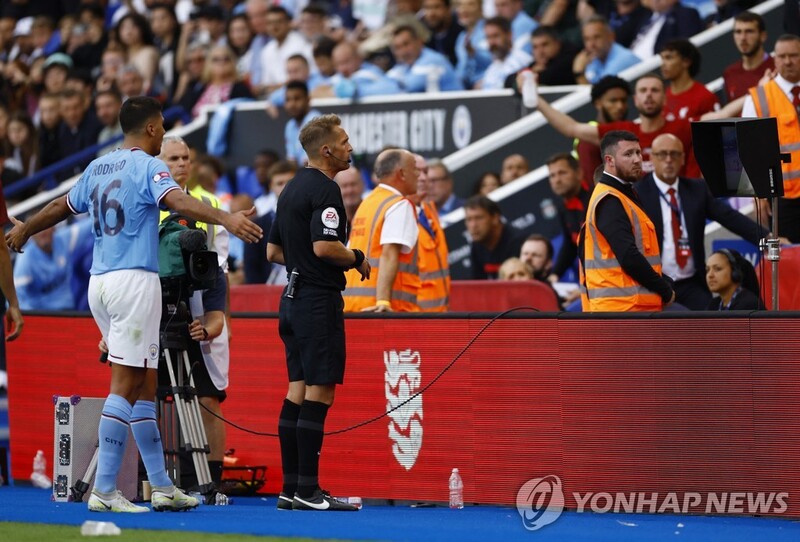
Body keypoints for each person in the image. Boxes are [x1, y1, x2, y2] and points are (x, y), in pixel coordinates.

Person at [5, 96, 262, 513]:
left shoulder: (98, 166)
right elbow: (177, 201)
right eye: (160, 125)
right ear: (150, 129)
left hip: (100, 282)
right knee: (125, 386)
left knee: (145, 384)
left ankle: (161, 485)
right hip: (134, 283)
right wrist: (227, 219)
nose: (162, 132)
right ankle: (105, 489)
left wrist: (25, 231)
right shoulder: (148, 165)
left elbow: (59, 206)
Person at [266, 113, 369, 511]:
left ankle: (291, 490)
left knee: (297, 390)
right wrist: (356, 257)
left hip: (289, 301)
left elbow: (273, 251)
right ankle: (309, 491)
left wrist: (300, 268)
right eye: (344, 141)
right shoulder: (326, 190)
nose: (350, 147)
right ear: (326, 150)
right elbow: (325, 248)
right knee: (320, 392)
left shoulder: (290, 188)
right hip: (316, 301)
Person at [158, 136, 231, 490]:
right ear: (158, 161)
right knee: (149, 394)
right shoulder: (147, 203)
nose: (181, 164)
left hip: (203, 302)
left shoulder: (212, 204)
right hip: (156, 305)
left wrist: (213, 318)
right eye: (173, 158)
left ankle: (212, 480)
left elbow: (219, 270)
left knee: (208, 395)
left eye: (186, 157)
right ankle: (155, 477)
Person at [634, 133, 768, 310]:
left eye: (674, 154)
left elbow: (728, 217)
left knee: (708, 326)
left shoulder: (696, 189)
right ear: (651, 158)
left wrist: (766, 238)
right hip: (655, 283)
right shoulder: (638, 193)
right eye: (662, 154)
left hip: (692, 283)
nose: (668, 160)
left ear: (682, 159)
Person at [579, 130, 675, 311]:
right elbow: (628, 257)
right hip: (622, 310)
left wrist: (665, 282)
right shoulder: (609, 199)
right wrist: (665, 290)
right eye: (628, 154)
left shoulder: (622, 194)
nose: (637, 159)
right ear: (609, 160)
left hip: (630, 307)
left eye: (638, 152)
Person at [534, 73, 700, 178]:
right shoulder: (622, 133)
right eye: (643, 90)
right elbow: (571, 128)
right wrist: (534, 99)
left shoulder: (684, 128)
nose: (649, 95)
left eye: (654, 90)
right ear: (635, 99)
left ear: (665, 98)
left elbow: (718, 117)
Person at [343, 148, 420, 312]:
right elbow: (389, 253)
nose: (418, 174)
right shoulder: (399, 204)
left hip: (353, 305)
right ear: (402, 174)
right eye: (414, 168)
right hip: (383, 310)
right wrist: (383, 301)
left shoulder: (368, 203)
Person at [742, 34, 800, 243]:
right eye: (782, 56)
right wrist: (759, 193)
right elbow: (747, 149)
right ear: (774, 60)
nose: (787, 61)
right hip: (783, 198)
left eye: (794, 55)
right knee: (791, 262)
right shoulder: (759, 97)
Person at [545, 153, 591, 282]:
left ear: (578, 173)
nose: (557, 180)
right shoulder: (563, 207)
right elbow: (571, 244)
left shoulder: (595, 198)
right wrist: (555, 275)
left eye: (562, 173)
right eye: (552, 175)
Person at [415, 153, 450, 312]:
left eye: (426, 172)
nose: (423, 178)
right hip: (414, 316)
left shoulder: (429, 210)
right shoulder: (395, 213)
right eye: (417, 172)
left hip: (440, 313)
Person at [465, 195, 525, 279]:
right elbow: (476, 284)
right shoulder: (476, 245)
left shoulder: (518, 242)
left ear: (495, 218)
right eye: (469, 219)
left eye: (479, 218)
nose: (473, 225)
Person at [659, 39, 719, 121]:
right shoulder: (661, 97)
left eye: (669, 58)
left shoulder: (705, 97)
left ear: (686, 62)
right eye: (662, 58)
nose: (663, 64)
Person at [572, 16, 640, 85]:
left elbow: (600, 93)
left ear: (611, 36)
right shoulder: (594, 59)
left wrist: (579, 73)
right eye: (587, 39)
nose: (591, 44)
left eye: (596, 37)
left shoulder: (623, 59)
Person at [722, 11, 774, 103]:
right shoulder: (729, 73)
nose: (743, 38)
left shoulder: (777, 69)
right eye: (738, 32)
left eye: (749, 31)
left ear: (763, 36)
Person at [284, 80, 321, 166]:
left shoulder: (316, 122)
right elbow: (291, 161)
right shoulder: (290, 125)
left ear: (308, 99)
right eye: (288, 100)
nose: (292, 104)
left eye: (297, 99)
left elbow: (309, 164)